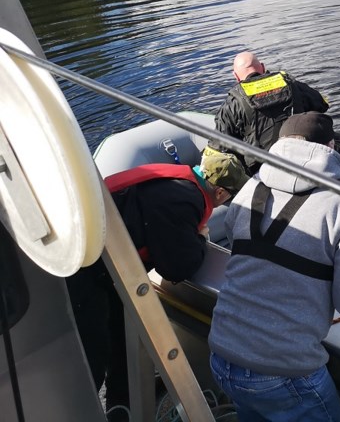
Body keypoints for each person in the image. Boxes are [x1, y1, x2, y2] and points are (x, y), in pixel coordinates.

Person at [208, 112, 340, 422]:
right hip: (282, 372)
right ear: (332, 146)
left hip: (222, 356)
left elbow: (237, 243)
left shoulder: (251, 188)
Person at [67, 150, 247, 415]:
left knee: (121, 342)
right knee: (93, 353)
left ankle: (121, 408)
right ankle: (81, 412)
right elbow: (176, 266)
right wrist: (199, 239)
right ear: (220, 193)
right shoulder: (185, 199)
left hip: (104, 266)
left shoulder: (173, 183)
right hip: (89, 274)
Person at [210, 51, 330, 174]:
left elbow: (220, 146)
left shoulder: (234, 101)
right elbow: (322, 104)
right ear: (262, 67)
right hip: (304, 159)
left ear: (236, 76)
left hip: (263, 170)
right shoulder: (290, 83)